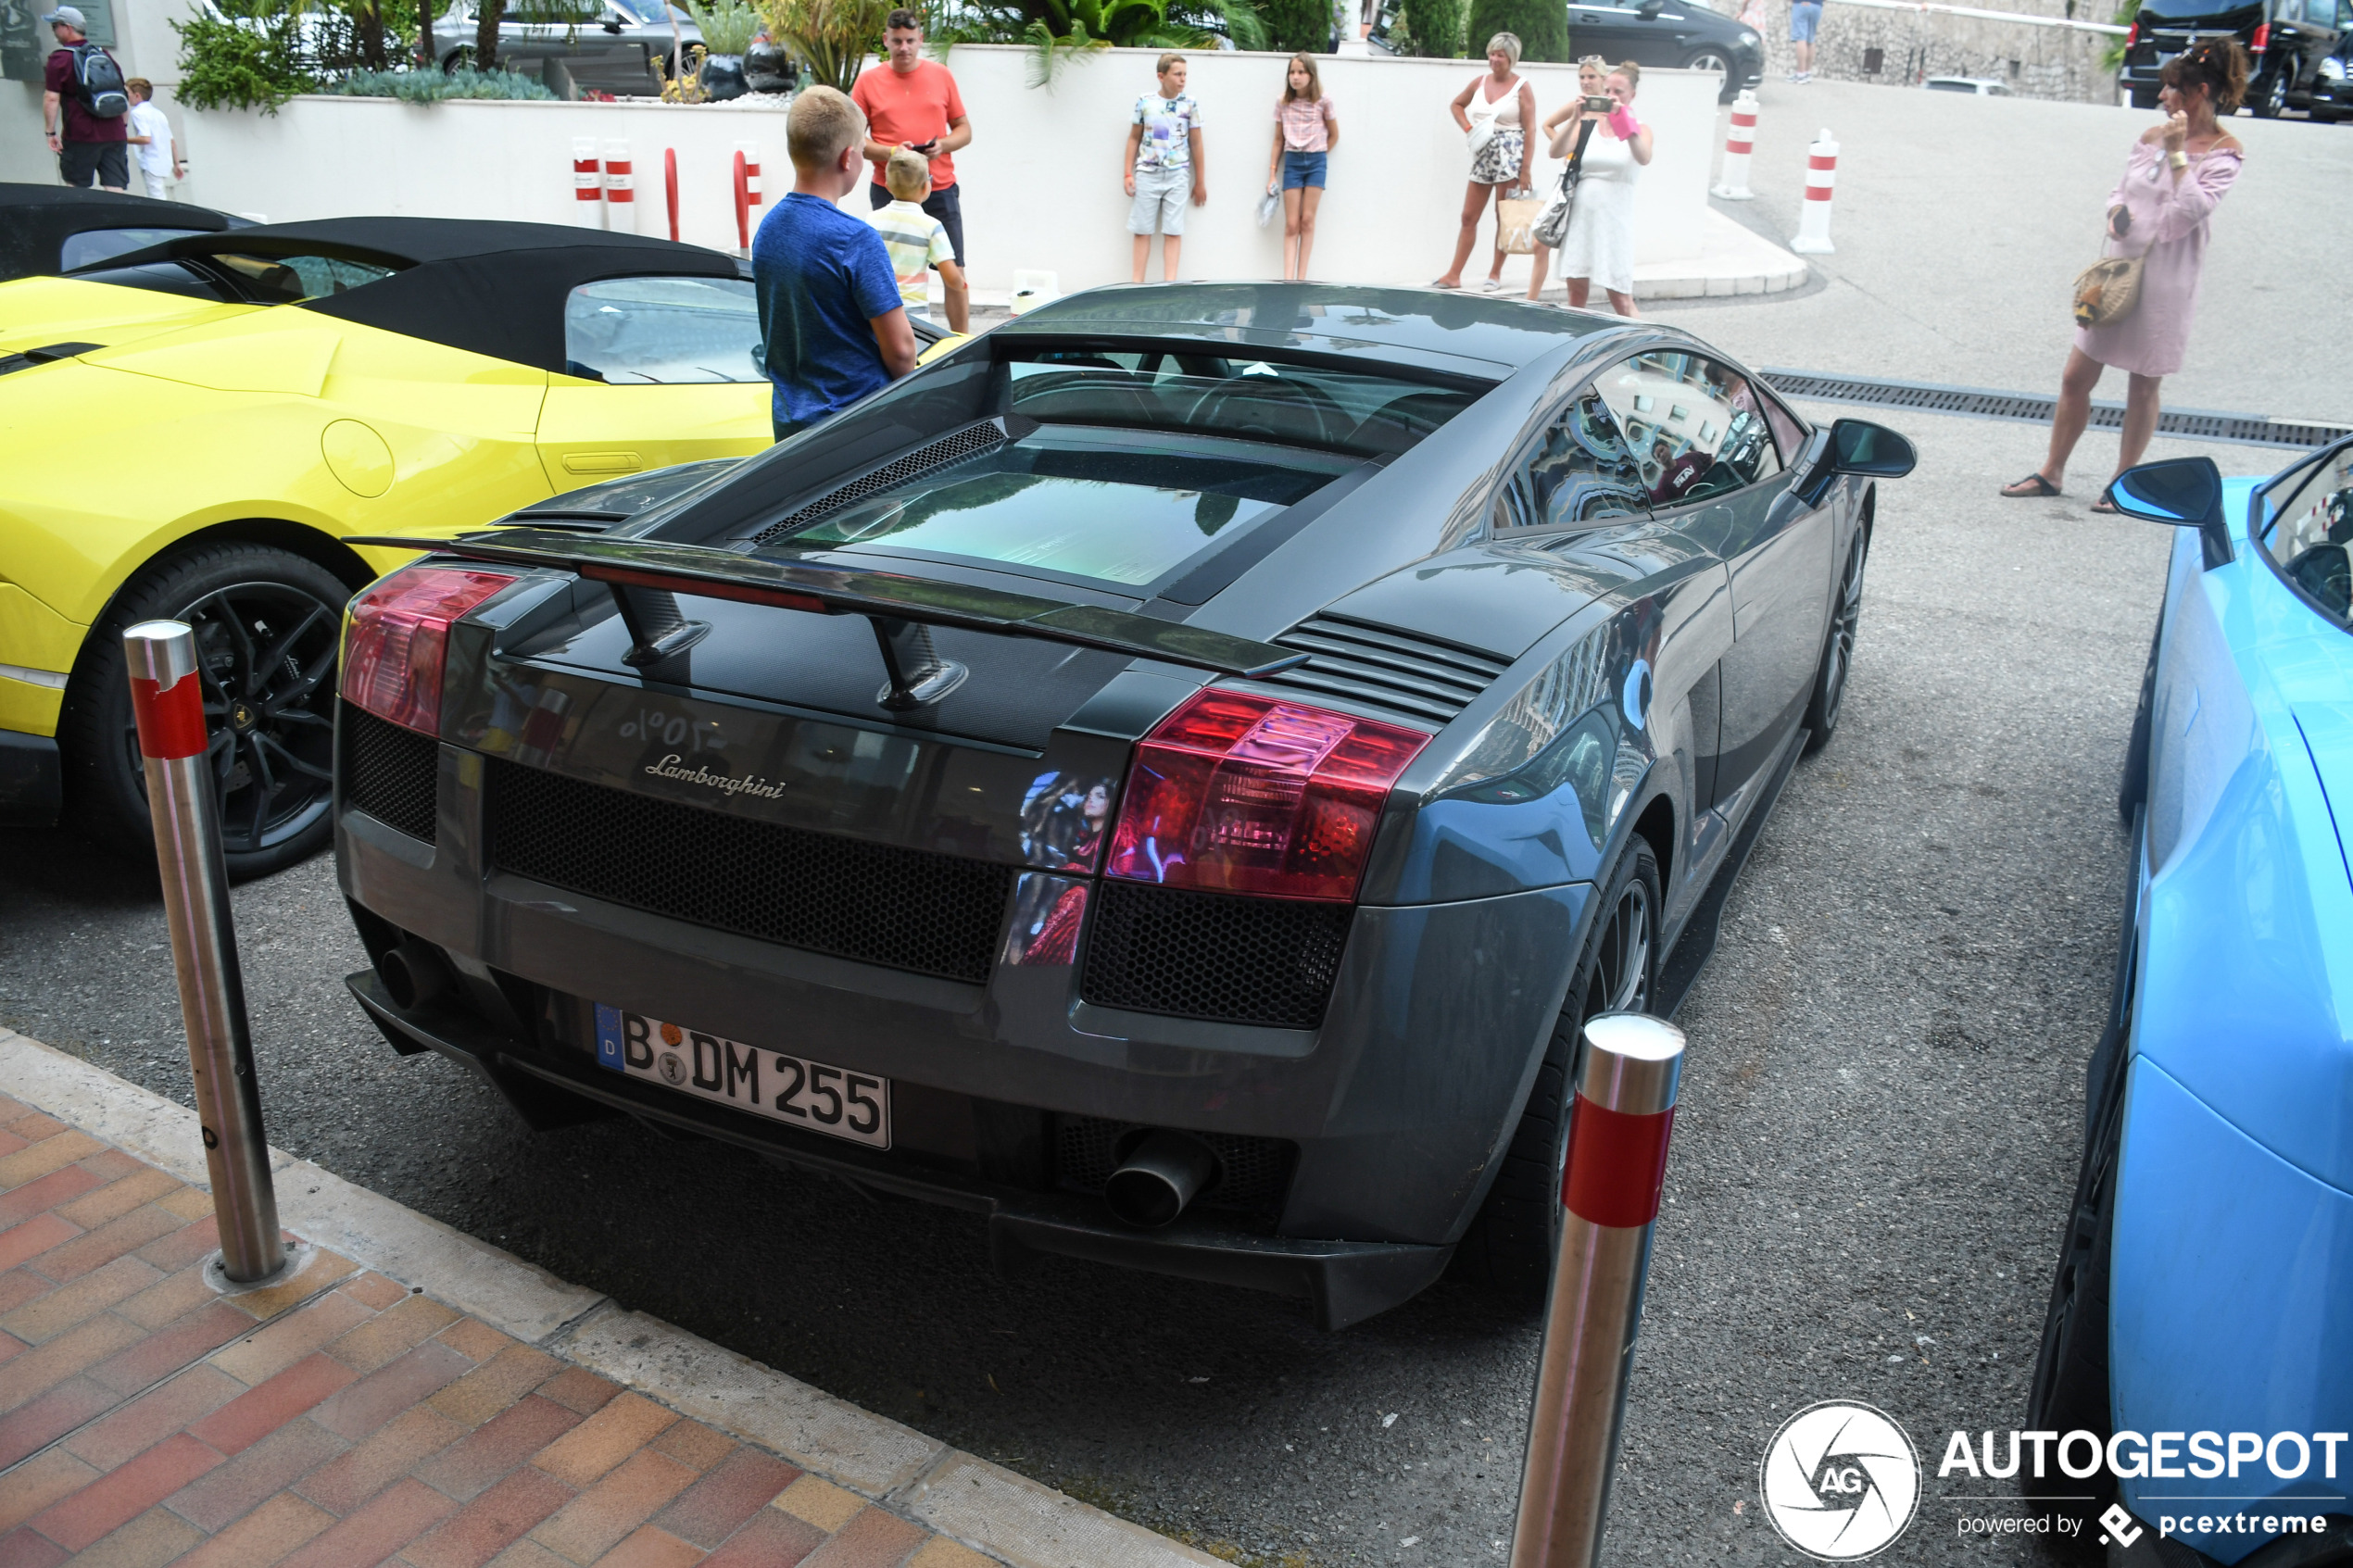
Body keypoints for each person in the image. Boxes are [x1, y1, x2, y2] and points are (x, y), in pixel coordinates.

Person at [1999, 40, 2246, 509]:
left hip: (2167, 280)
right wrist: (2114, 210)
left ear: (2200, 92)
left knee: (2143, 382)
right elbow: (2122, 187)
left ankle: (2124, 485)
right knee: (2076, 375)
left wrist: (2178, 157)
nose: (2163, 98)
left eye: (2172, 89)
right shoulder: (2151, 134)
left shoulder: (2223, 151)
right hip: (2115, 274)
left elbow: (2192, 210)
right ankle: (2051, 471)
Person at [752, 85, 916, 443]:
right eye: (861, 149)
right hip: (853, 431)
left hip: (790, 429)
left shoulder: (769, 229)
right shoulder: (855, 239)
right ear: (847, 158)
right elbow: (902, 352)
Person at [851, 9, 972, 270]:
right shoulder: (867, 82)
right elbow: (855, 140)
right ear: (886, 40)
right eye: (897, 41)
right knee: (888, 272)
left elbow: (964, 130)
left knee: (955, 272)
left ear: (920, 39)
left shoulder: (942, 75)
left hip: (938, 187)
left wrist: (942, 146)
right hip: (889, 190)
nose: (904, 48)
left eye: (910, 41)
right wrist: (892, 152)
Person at [1546, 60, 1652, 316]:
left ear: (1632, 96)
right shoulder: (1588, 126)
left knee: (1621, 297)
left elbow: (1643, 156)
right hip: (1582, 218)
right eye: (1607, 91)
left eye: (1618, 93)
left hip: (1614, 219)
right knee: (1577, 293)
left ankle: (1647, 352)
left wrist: (1624, 124)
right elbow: (1555, 151)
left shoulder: (1640, 130)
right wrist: (1574, 119)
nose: (1611, 97)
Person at [1433, 32, 1536, 292]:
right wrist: (1469, 128)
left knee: (1504, 216)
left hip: (1509, 155)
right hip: (1482, 156)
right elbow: (1457, 105)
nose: (1494, 59)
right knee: (1469, 216)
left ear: (1511, 58)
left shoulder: (1521, 86)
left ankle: (1495, 273)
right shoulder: (1479, 82)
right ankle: (1454, 274)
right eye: (1492, 53)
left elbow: (1531, 128)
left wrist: (1525, 169)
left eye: (1500, 55)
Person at [1525, 56, 1607, 304]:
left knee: (1580, 253)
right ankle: (1531, 300)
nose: (1586, 81)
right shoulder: (1577, 107)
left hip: (1592, 184)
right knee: (1541, 239)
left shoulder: (1611, 111)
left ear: (1603, 78)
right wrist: (1567, 147)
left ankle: (1577, 307)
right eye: (1582, 77)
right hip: (1568, 179)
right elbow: (1548, 125)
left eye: (1591, 76)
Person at [1126, 52, 1206, 283]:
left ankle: (1169, 284)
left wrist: (1200, 181)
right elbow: (1133, 138)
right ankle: (1136, 284)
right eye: (1177, 74)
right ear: (1161, 76)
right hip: (1148, 172)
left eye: (1185, 74)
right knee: (1142, 230)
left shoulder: (1190, 104)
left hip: (1178, 174)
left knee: (1173, 231)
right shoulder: (1146, 101)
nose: (1183, 79)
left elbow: (1197, 142)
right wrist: (1128, 173)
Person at [871, 146, 968, 332]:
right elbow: (951, 277)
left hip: (879, 310)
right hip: (915, 317)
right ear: (926, 186)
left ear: (888, 186)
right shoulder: (931, 227)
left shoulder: (872, 220)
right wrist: (960, 283)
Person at [1265, 53, 1337, 282]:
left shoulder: (1323, 100)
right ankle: (1288, 279)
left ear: (1311, 75)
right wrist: (1272, 173)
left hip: (1316, 162)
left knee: (1307, 220)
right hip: (1293, 162)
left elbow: (1334, 135)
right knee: (1291, 224)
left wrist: (1319, 154)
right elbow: (1278, 140)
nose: (1296, 77)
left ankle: (1302, 279)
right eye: (1292, 72)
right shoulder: (1283, 102)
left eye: (1301, 72)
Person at [40, 6, 128, 193]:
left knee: (77, 190)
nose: (54, 30)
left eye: (55, 26)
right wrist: (124, 127)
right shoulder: (104, 54)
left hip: (81, 134)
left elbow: (51, 98)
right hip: (115, 134)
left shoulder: (60, 59)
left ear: (67, 27)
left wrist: (50, 133)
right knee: (115, 191)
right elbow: (123, 93)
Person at [123, 78, 182, 201]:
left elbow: (145, 138)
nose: (126, 96)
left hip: (151, 162)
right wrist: (177, 164)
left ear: (137, 95)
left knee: (156, 198)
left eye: (127, 93)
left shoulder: (137, 113)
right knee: (157, 195)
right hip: (164, 162)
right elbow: (171, 141)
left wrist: (124, 139)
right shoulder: (158, 113)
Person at [1788, 0, 1821, 82]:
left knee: (1801, 38)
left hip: (1801, 4)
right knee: (1810, 39)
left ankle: (1800, 73)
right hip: (1817, 6)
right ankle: (1807, 72)